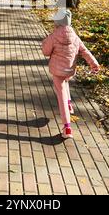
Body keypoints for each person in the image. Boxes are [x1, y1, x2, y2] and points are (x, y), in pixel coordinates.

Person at [42, 9, 100, 139]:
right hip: (70, 70)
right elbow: (85, 51)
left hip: (58, 71)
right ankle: (69, 103)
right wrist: (93, 63)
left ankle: (67, 127)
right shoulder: (75, 37)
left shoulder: (53, 36)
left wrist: (44, 43)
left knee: (60, 92)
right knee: (65, 82)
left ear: (57, 23)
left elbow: (46, 51)